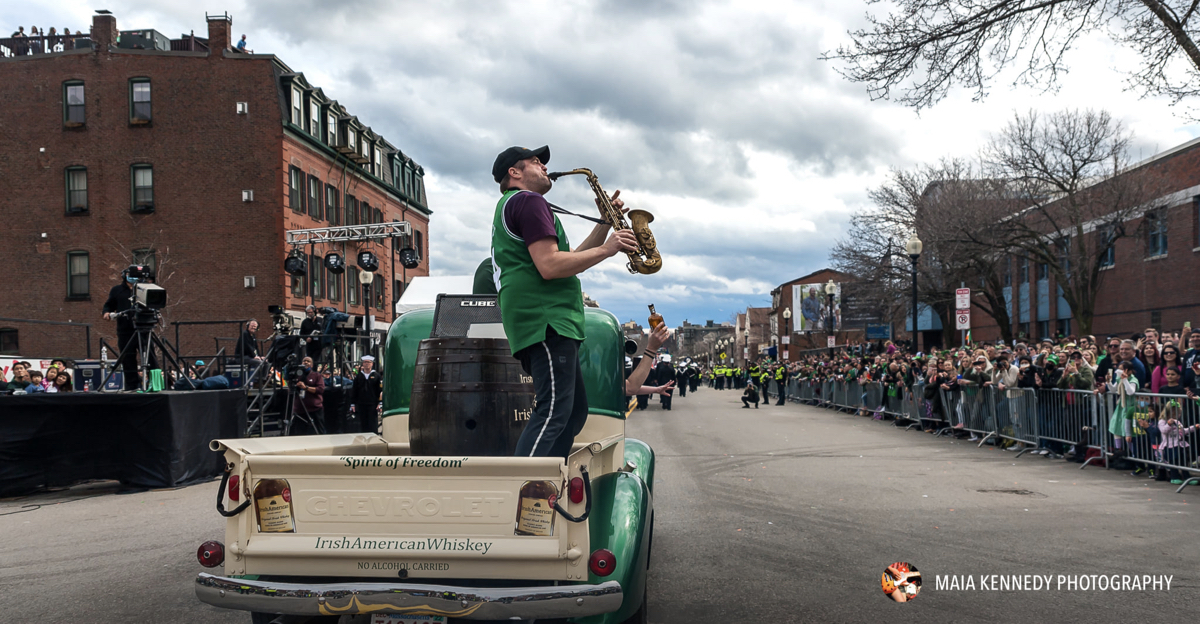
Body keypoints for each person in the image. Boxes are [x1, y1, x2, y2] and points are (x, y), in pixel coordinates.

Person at [489, 145, 637, 459]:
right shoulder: (529, 202)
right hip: (546, 321)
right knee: (555, 411)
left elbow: (566, 258)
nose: (544, 166)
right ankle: (523, 490)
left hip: (543, 322)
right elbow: (551, 266)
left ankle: (548, 479)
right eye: (535, 161)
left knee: (573, 413)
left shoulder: (519, 204)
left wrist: (605, 223)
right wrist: (609, 249)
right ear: (514, 173)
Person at [102, 268, 142, 390]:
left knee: (149, 356)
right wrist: (107, 312)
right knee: (128, 357)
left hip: (143, 328)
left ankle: (154, 382)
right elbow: (109, 304)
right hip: (125, 328)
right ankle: (132, 385)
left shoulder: (144, 288)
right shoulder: (117, 290)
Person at [290, 356, 325, 435]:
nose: (305, 362)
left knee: (319, 431)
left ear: (312, 365)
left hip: (315, 409)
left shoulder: (317, 376)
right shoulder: (297, 376)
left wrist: (306, 387)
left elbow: (320, 389)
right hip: (300, 409)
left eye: (308, 361)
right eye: (304, 361)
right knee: (300, 432)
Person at [351, 355, 382, 434]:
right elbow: (354, 390)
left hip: (372, 404)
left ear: (372, 364)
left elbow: (380, 390)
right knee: (362, 424)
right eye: (365, 362)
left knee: (372, 424)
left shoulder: (376, 376)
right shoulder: (358, 376)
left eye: (369, 362)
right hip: (361, 404)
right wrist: (353, 404)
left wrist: (380, 403)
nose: (367, 364)